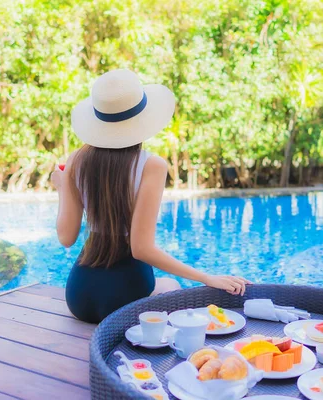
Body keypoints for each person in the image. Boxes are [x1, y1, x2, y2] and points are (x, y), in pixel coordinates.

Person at [51, 69, 250, 323]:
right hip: (126, 296)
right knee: (170, 287)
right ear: (142, 118)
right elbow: (141, 249)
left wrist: (62, 187)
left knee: (164, 285)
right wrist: (206, 278)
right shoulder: (151, 165)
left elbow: (66, 238)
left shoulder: (77, 160)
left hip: (79, 297)